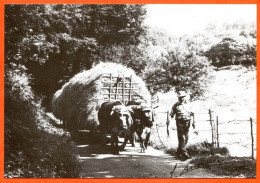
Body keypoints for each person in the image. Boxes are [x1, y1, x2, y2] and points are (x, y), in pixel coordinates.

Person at [170, 91, 195, 160]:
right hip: (179, 122)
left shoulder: (189, 105)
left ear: (185, 97)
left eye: (183, 97)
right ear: (178, 98)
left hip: (187, 121)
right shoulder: (175, 105)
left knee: (186, 137)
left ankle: (178, 152)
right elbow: (171, 114)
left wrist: (194, 122)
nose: (181, 99)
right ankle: (184, 152)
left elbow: (193, 114)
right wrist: (170, 117)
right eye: (180, 97)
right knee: (181, 137)